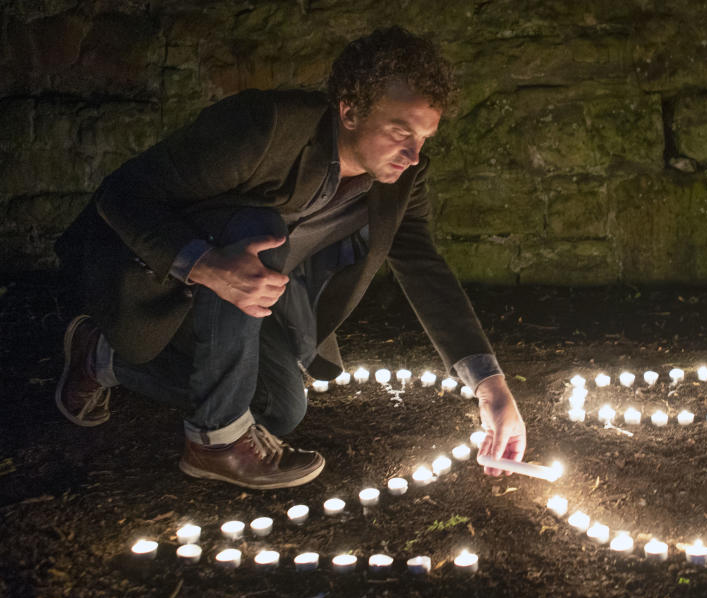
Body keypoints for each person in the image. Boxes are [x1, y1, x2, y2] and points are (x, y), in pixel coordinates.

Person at [53, 26, 526, 489]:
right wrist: (206, 266)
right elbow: (120, 195)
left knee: (282, 409)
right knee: (261, 228)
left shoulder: (404, 179)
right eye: (400, 132)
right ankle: (214, 441)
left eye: (424, 138)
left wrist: (492, 387)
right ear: (350, 111)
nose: (413, 155)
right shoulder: (266, 126)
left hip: (237, 304)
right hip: (149, 274)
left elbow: (423, 267)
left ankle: (102, 355)